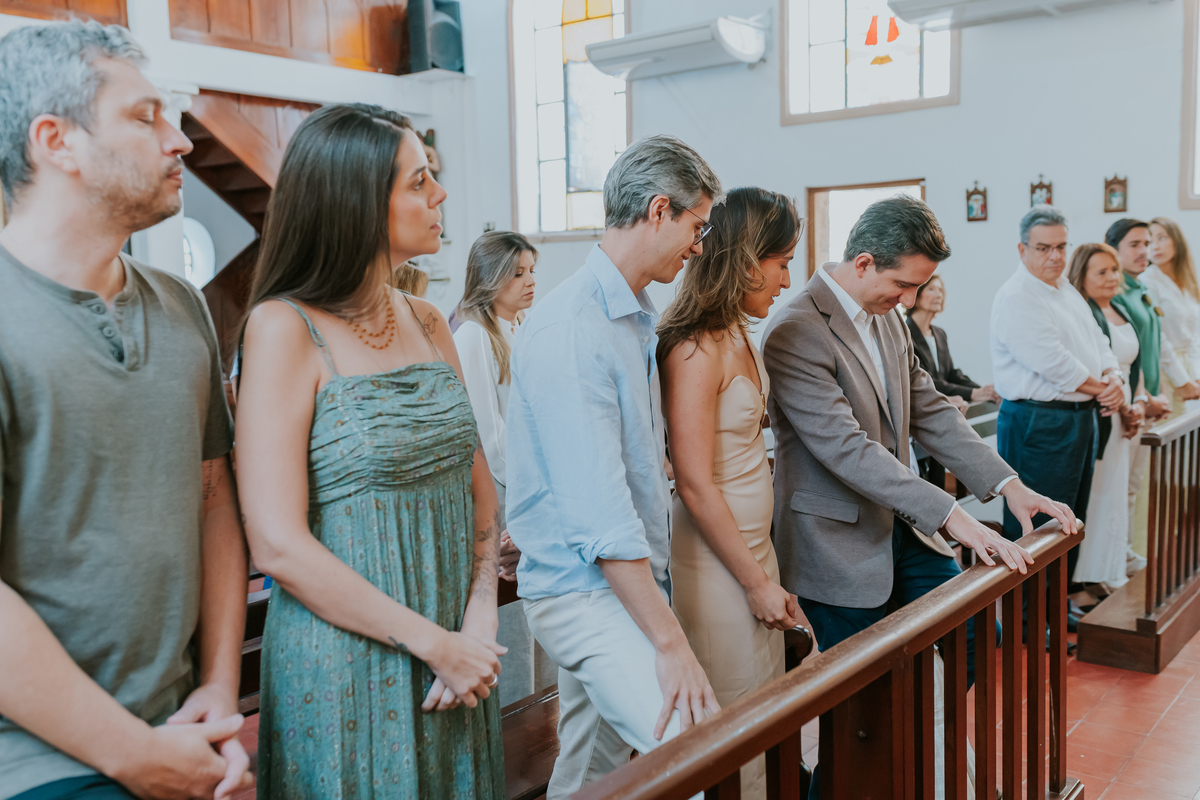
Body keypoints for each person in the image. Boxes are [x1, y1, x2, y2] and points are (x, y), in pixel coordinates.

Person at [0, 21, 252, 800]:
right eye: (144, 118)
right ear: (57, 142)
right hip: (37, 762)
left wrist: (215, 692)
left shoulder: (181, 306)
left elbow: (213, 498)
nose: (178, 142)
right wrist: (132, 757)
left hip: (183, 728)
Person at [762, 195, 1076, 799]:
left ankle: (909, 758)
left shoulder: (888, 318)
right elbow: (846, 448)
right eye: (904, 285)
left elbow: (930, 410)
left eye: (920, 287)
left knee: (975, 633)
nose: (909, 301)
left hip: (901, 531)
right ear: (863, 261)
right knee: (860, 701)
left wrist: (1010, 486)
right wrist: (953, 514)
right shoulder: (797, 328)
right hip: (835, 540)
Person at [235, 103, 506, 799]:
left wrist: (477, 618)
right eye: (419, 182)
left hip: (456, 655)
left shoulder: (425, 320)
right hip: (350, 660)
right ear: (355, 199)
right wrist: (433, 643)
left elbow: (479, 491)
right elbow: (276, 545)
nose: (440, 196)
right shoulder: (283, 328)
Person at [506, 134, 723, 798]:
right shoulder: (573, 329)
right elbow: (600, 519)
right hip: (585, 590)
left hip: (622, 582)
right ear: (659, 210)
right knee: (696, 743)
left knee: (592, 770)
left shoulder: (628, 318)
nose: (699, 245)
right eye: (696, 225)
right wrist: (670, 642)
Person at [657, 187, 801, 800]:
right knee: (728, 718)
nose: (787, 279)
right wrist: (754, 583)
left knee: (764, 708)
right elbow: (692, 481)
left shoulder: (741, 333)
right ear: (746, 260)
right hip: (717, 566)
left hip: (753, 550)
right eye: (781, 261)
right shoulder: (693, 346)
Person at [991, 206, 1123, 614]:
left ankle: (1056, 605)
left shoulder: (1065, 289)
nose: (1055, 256)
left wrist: (1114, 377)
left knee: (1071, 518)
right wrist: (1105, 389)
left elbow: (1100, 341)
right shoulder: (1017, 296)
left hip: (1077, 418)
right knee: (1038, 524)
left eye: (1061, 246)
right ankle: (1028, 619)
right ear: (1022, 249)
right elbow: (1054, 363)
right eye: (1044, 247)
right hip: (1039, 423)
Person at [453, 230, 542, 707]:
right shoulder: (473, 335)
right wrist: (535, 476)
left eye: (531, 271)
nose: (529, 282)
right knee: (511, 610)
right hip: (504, 488)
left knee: (533, 611)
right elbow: (488, 433)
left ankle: (533, 702)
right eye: (517, 273)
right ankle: (511, 710)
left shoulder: (520, 326)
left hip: (528, 483)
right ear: (491, 278)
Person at [1068, 243, 1143, 593]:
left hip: (1123, 408)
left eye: (1114, 269)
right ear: (1081, 277)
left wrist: (1139, 400)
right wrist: (1126, 407)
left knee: (1117, 490)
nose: (1113, 277)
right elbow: (1094, 367)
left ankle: (1110, 564)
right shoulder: (1083, 312)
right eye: (1102, 271)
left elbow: (1132, 366)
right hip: (1106, 412)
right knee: (1099, 491)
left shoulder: (1121, 308)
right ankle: (1091, 574)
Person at [1106, 218, 1172, 576]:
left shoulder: (1140, 288)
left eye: (1146, 243)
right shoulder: (1115, 292)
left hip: (1145, 399)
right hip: (1128, 403)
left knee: (1132, 486)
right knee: (1119, 489)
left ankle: (1124, 552)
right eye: (1134, 244)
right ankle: (1113, 559)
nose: (1144, 250)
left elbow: (1153, 348)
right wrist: (1143, 398)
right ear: (1113, 248)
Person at [905, 275, 1000, 488]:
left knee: (940, 476)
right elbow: (927, 381)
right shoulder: (905, 333)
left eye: (941, 290)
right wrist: (973, 395)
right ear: (917, 294)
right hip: (921, 420)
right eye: (931, 289)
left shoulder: (939, 334)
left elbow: (951, 374)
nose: (938, 294)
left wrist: (981, 389)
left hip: (941, 423)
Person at [1140, 216, 1200, 414]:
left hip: (1190, 367)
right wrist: (1182, 380)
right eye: (1149, 242)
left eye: (1162, 238)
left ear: (1177, 240)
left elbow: (1195, 333)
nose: (1155, 246)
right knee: (1166, 433)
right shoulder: (1147, 281)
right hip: (1164, 367)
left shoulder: (1187, 281)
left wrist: (1195, 372)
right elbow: (1158, 336)